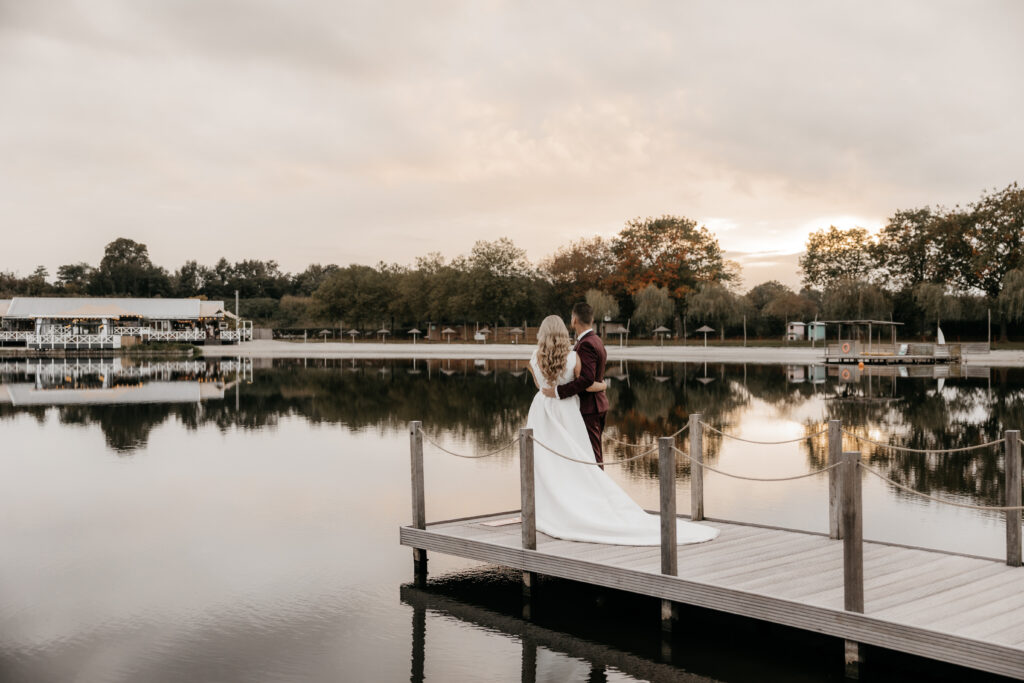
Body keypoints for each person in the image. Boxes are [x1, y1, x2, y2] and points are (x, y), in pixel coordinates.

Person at [526, 314, 718, 546]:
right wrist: (604, 384)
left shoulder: (533, 358)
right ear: (561, 333)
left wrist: (550, 389)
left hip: (540, 412)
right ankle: (577, 504)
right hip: (566, 412)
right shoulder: (573, 357)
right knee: (575, 460)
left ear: (542, 333)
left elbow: (540, 386)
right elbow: (584, 384)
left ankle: (548, 510)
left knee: (545, 461)